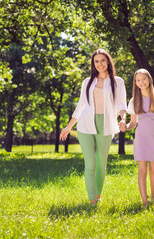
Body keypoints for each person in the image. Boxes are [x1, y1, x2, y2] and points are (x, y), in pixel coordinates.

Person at [59, 49, 127, 206]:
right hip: (86, 125)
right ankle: (92, 201)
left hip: (106, 124)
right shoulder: (87, 82)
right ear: (93, 64)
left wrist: (123, 119)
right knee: (90, 164)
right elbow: (80, 106)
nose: (100, 64)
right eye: (96, 61)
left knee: (100, 163)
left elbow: (122, 104)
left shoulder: (118, 81)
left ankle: (98, 195)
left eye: (102, 60)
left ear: (108, 61)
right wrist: (69, 127)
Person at [120, 68, 154, 208]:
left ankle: (153, 196)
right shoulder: (134, 100)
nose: (141, 82)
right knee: (142, 170)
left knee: (153, 169)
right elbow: (133, 123)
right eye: (138, 80)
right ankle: (144, 202)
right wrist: (125, 127)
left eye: (143, 79)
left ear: (149, 79)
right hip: (141, 138)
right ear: (135, 83)